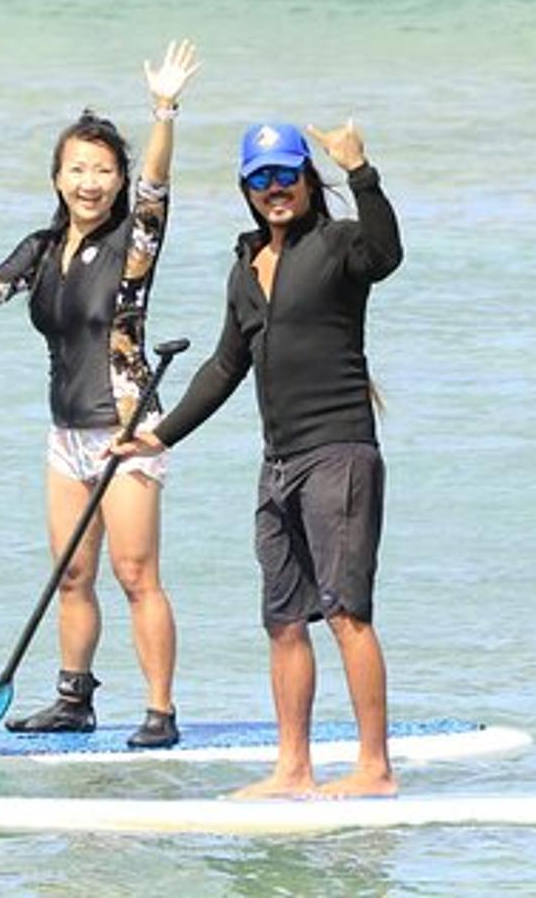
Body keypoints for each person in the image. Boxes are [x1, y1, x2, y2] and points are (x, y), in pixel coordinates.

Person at [118, 118, 402, 797]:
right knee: (282, 619)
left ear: (307, 178)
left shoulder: (337, 245)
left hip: (339, 453)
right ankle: (293, 768)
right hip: (278, 464)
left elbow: (387, 253)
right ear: (246, 188)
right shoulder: (247, 266)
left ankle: (374, 767)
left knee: (346, 611)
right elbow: (224, 365)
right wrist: (160, 433)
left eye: (285, 175)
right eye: (260, 178)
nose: (274, 189)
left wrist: (361, 171)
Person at [0, 40, 198, 749]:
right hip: (65, 433)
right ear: (57, 176)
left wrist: (163, 112)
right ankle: (73, 699)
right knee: (72, 572)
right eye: (78, 168)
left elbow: (156, 188)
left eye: (103, 170)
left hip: (124, 426)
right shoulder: (44, 244)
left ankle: (160, 711)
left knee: (135, 571)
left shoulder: (132, 241)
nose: (91, 182)